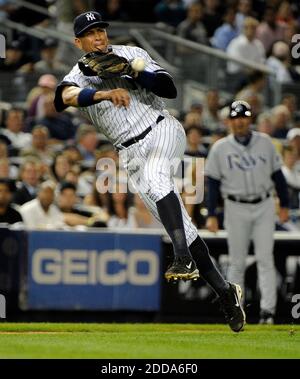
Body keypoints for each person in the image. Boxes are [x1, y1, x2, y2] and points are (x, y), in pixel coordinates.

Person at [53, 10, 246, 332]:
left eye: (101, 30)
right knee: (182, 225)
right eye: (90, 33)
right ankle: (225, 292)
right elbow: (63, 97)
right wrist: (102, 92)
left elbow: (168, 89)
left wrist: (134, 73)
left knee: (158, 182)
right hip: (130, 154)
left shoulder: (133, 54)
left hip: (160, 129)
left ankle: (181, 257)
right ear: (78, 41)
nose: (98, 37)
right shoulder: (79, 73)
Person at [205, 100, 289, 324]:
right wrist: (211, 214)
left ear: (250, 119)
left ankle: (267, 313)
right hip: (235, 206)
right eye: (235, 117)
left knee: (265, 259)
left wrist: (285, 205)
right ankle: (236, 311)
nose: (240, 121)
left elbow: (278, 177)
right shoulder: (220, 147)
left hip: (263, 205)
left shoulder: (265, 143)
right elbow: (212, 184)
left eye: (244, 116)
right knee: (237, 262)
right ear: (230, 121)